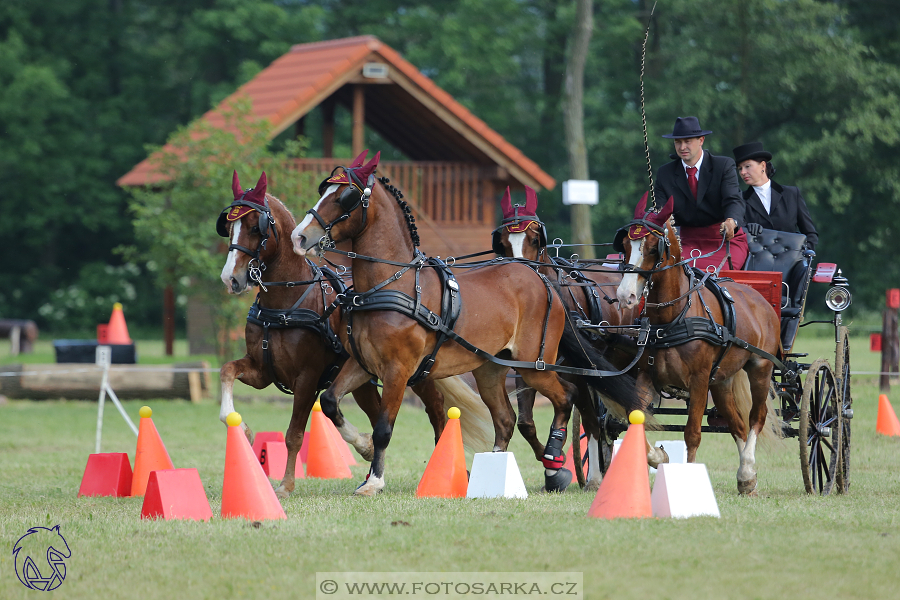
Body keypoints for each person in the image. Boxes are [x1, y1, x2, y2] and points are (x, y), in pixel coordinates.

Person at [654, 116, 748, 270]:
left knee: (716, 277)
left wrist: (731, 221)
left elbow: (733, 200)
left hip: (723, 240)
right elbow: (661, 212)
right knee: (675, 275)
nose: (682, 147)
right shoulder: (665, 173)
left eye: (687, 141)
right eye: (678, 142)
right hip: (685, 241)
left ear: (701, 140)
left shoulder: (723, 166)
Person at [732, 142, 818, 250]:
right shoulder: (740, 200)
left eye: (747, 166)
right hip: (756, 265)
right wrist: (745, 230)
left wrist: (800, 254)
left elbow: (810, 234)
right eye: (740, 168)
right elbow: (737, 236)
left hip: (792, 263)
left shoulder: (791, 194)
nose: (743, 172)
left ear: (763, 165)